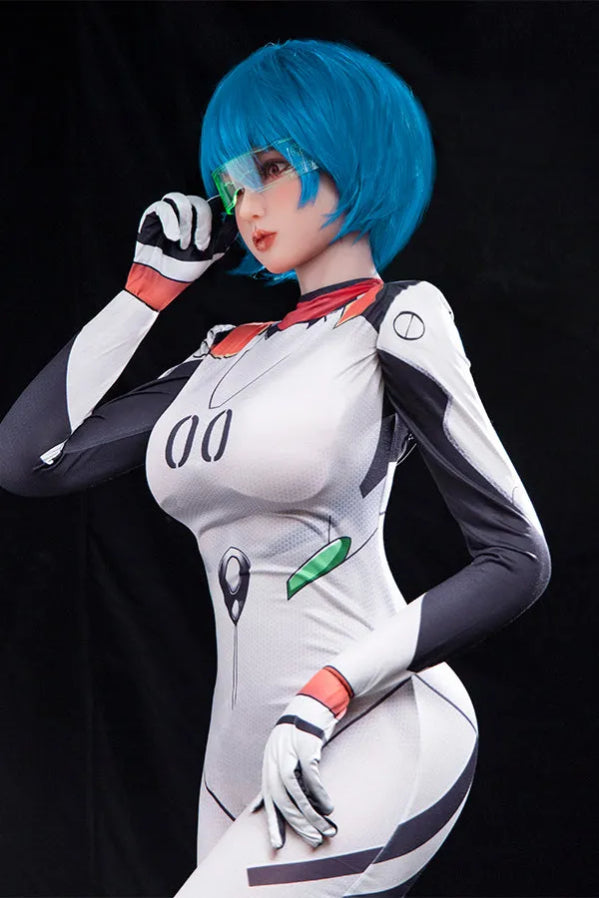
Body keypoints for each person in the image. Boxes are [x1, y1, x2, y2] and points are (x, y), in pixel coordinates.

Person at [0, 38, 550, 897]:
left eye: (269, 167)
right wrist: (145, 293)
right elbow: (30, 461)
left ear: (349, 151)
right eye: (231, 184)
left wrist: (327, 693)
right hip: (242, 747)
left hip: (371, 715)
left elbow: (516, 556)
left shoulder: (396, 320)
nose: (246, 203)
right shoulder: (224, 353)